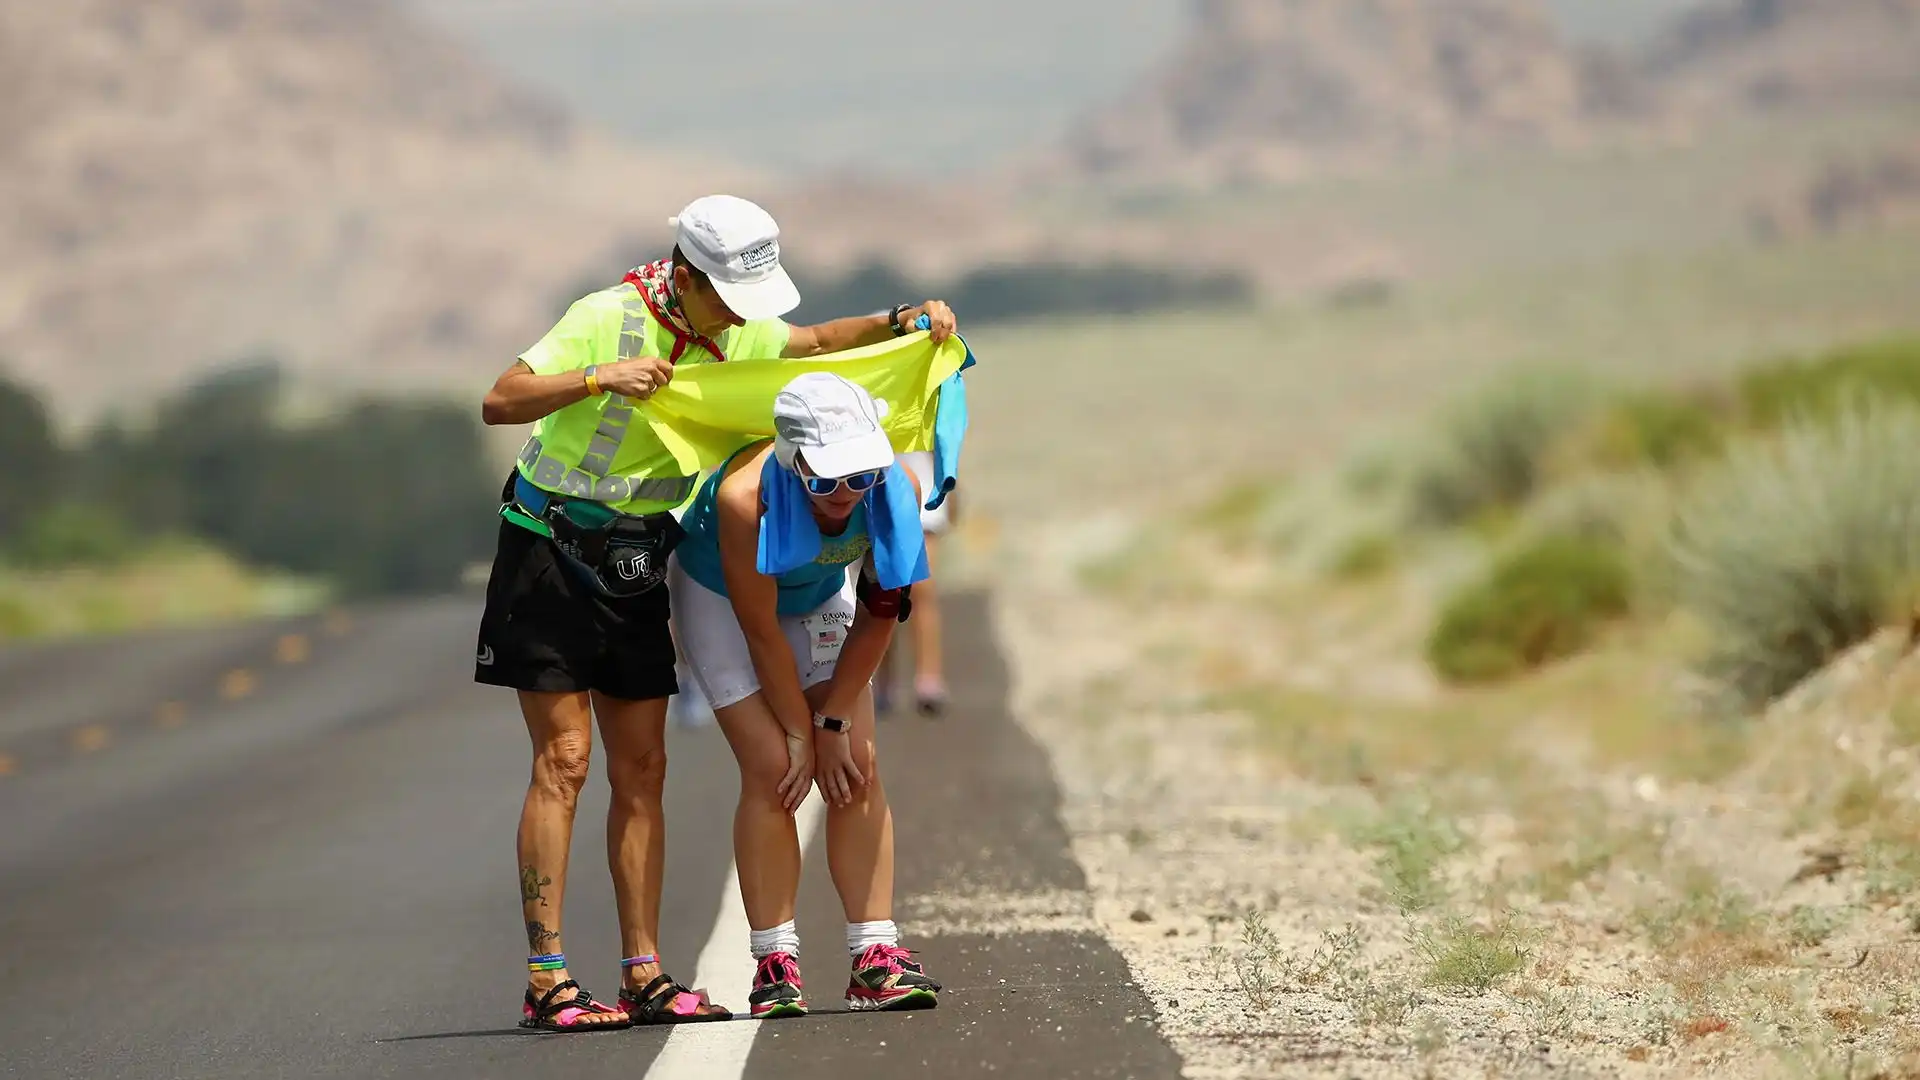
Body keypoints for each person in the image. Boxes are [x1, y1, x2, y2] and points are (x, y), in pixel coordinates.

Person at [474, 193, 958, 1031]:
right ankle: (547, 978)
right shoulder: (606, 316)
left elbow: (811, 344)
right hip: (548, 544)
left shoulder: (739, 329)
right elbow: (500, 398)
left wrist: (901, 318)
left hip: (637, 555)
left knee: (645, 769)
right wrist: (598, 378)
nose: (744, 315)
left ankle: (644, 976)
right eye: (730, 294)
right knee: (565, 760)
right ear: (687, 275)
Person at [669, 371, 949, 1018]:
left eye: (858, 476)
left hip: (821, 596)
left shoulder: (895, 488)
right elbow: (760, 632)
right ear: (793, 463)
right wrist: (801, 734)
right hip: (724, 603)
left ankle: (874, 956)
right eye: (824, 481)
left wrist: (829, 725)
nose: (844, 495)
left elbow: (881, 614)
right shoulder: (747, 499)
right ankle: (773, 960)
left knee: (855, 764)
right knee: (776, 771)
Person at [875, 450, 956, 717]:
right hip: (878, 475)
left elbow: (942, 434)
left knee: (922, 587)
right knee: (885, 588)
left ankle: (929, 679)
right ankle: (883, 680)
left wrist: (952, 483)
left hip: (924, 477)